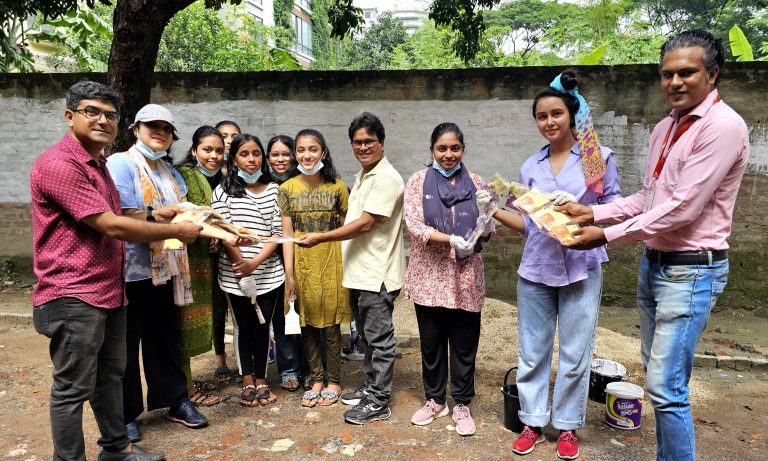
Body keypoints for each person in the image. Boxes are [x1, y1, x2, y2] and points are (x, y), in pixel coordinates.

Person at [557, 30, 749, 461]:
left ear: (712, 74)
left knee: (666, 387)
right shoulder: (666, 127)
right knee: (661, 382)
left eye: (687, 73)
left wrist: (603, 235)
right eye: (667, 74)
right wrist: (593, 212)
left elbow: (682, 209)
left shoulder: (722, 127)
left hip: (692, 269)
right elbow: (650, 195)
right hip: (656, 265)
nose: (675, 82)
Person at [31, 80, 201, 461]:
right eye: (92, 112)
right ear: (70, 116)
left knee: (110, 378)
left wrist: (165, 214)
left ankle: (118, 449)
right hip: (73, 292)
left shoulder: (101, 165)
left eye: (110, 114)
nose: (103, 120)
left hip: (111, 289)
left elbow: (131, 216)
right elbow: (111, 224)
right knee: (73, 387)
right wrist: (175, 229)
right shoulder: (60, 163)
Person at [485, 70, 621, 459]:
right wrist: (493, 210)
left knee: (577, 353)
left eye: (556, 113)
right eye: (542, 116)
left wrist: (586, 213)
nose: (549, 122)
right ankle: (531, 420)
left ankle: (567, 427)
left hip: (582, 265)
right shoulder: (531, 166)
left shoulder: (598, 159)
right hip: (537, 268)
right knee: (533, 350)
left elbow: (615, 208)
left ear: (571, 114)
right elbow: (528, 226)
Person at [107, 104, 209, 442]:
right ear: (136, 129)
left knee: (165, 337)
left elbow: (183, 218)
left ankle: (174, 400)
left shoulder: (170, 172)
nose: (161, 133)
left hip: (168, 269)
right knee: (126, 343)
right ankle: (125, 414)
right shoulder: (120, 164)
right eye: (153, 126)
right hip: (130, 271)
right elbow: (123, 217)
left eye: (166, 128)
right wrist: (158, 215)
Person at [296, 112, 406, 425]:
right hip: (359, 273)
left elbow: (366, 223)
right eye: (357, 142)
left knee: (380, 341)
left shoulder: (386, 178)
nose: (363, 146)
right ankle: (371, 387)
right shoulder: (363, 175)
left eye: (369, 141)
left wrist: (322, 237)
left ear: (381, 142)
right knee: (369, 339)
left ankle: (379, 401)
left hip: (377, 275)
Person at [402, 122, 492, 437]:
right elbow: (414, 225)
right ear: (432, 150)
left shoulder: (478, 183)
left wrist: (485, 216)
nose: (448, 154)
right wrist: (451, 239)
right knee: (432, 343)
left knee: (465, 344)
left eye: (455, 148)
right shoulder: (417, 181)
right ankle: (435, 399)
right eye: (442, 148)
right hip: (429, 277)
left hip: (466, 277)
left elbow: (489, 231)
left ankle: (462, 403)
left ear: (463, 149)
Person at [278, 129, 352, 408]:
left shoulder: (339, 188)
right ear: (295, 153)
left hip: (333, 263)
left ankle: (334, 381)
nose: (306, 155)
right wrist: (289, 274)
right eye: (301, 150)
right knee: (306, 324)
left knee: (331, 325)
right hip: (302, 264)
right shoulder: (287, 189)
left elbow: (346, 232)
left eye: (312, 149)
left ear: (323, 152)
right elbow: (288, 235)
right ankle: (316, 379)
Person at [211, 134, 284, 407]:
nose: (251, 159)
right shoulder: (221, 191)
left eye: (256, 153)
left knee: (263, 326)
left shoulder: (275, 190)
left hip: (269, 273)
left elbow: (277, 232)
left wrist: (255, 263)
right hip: (234, 273)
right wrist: (241, 265)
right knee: (243, 326)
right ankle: (247, 378)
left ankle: (262, 378)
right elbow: (223, 229)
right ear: (234, 158)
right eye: (244, 154)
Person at [176, 125, 226, 406]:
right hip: (185, 260)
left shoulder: (215, 180)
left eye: (219, 150)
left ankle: (187, 383)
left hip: (205, 260)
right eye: (207, 149)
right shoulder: (185, 176)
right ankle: (185, 389)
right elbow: (190, 218)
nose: (214, 155)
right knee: (182, 322)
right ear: (194, 151)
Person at [266, 135, 308, 392]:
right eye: (275, 154)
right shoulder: (264, 185)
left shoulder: (305, 184)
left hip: (305, 255)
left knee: (309, 314)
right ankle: (289, 368)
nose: (280, 159)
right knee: (284, 317)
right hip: (273, 260)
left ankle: (312, 367)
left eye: (285, 153)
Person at [211, 120, 243, 381]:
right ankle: (221, 359)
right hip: (213, 250)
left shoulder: (243, 170)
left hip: (241, 250)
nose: (230, 140)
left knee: (242, 307)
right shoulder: (210, 174)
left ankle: (245, 358)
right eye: (224, 136)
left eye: (234, 135)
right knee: (217, 306)